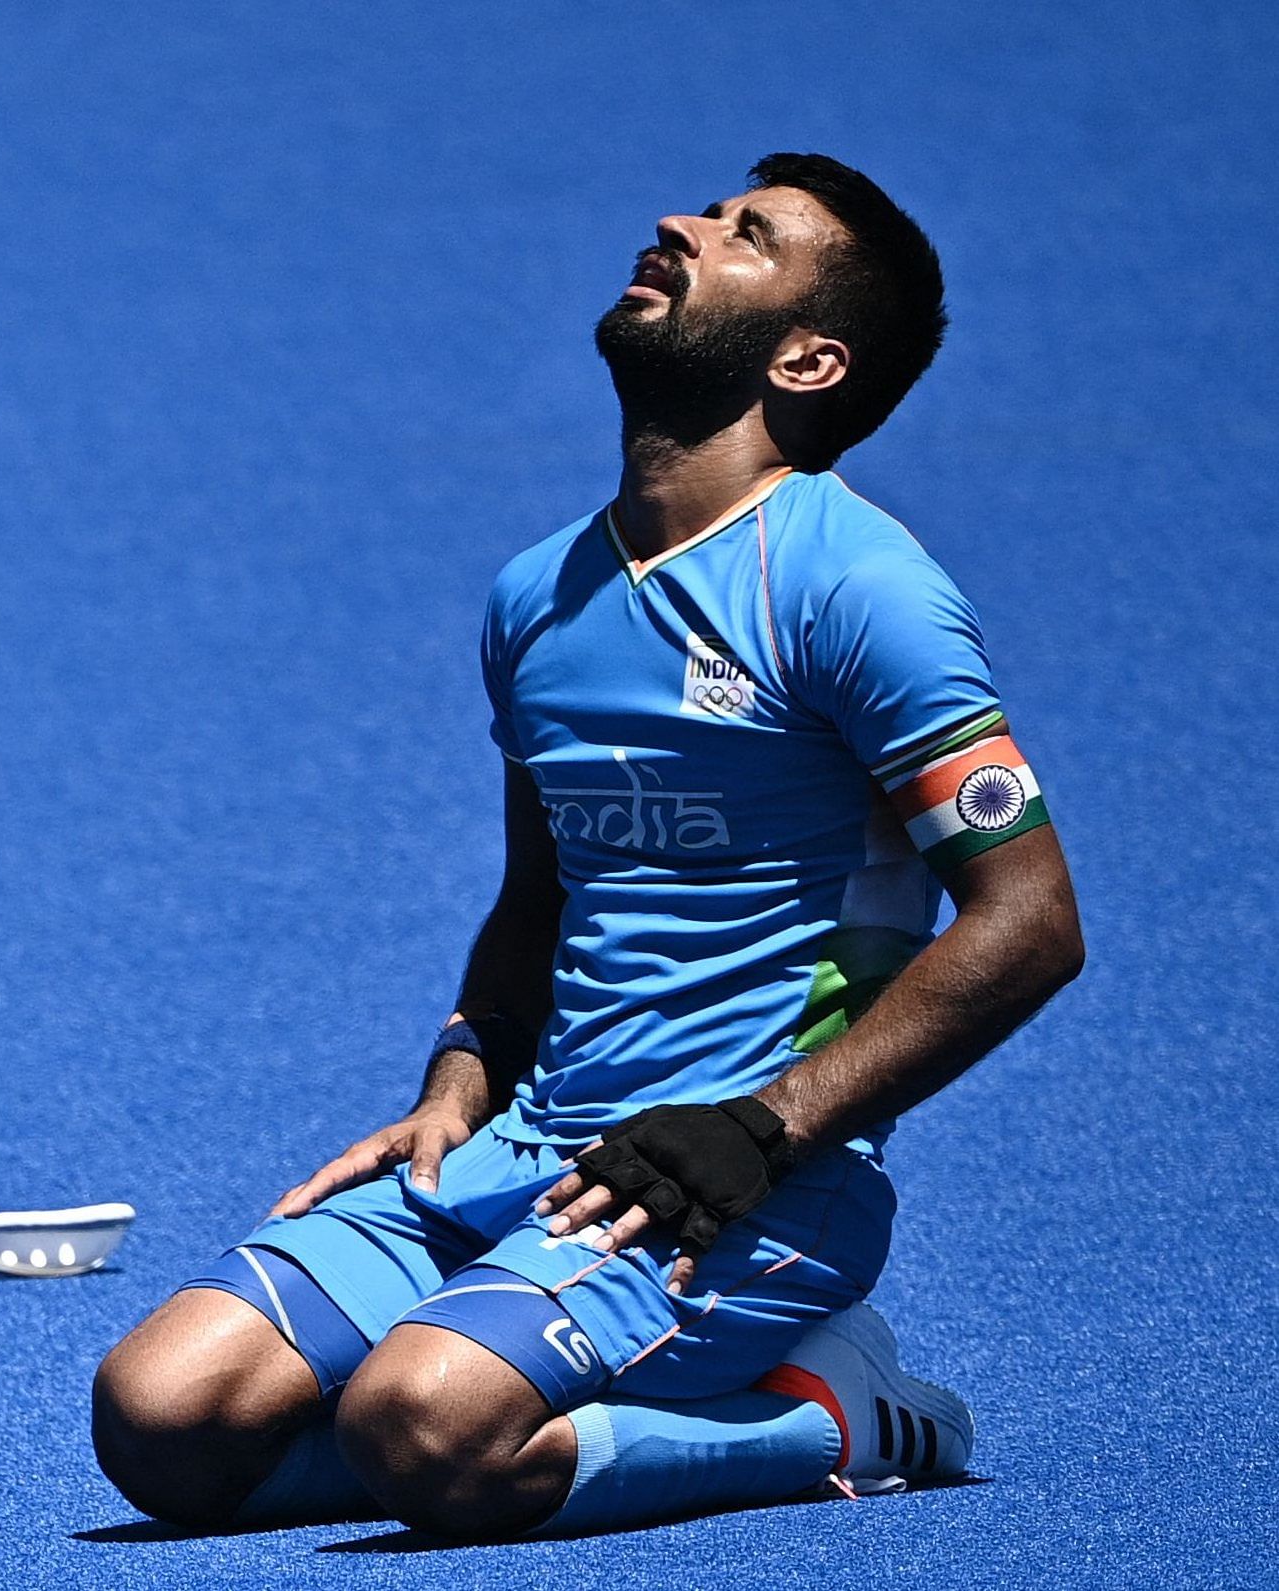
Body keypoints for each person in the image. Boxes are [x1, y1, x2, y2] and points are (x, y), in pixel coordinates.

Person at [88, 153, 1085, 1541]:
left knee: (426, 1428)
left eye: (746, 235)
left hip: (748, 1181)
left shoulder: (860, 590)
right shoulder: (537, 595)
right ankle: (476, 1368)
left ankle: (842, 1413)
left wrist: (763, 1129)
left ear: (807, 359)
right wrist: (462, 1056)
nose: (679, 223)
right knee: (162, 1421)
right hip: (527, 1151)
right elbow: (541, 887)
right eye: (702, 209)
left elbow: (1028, 921)